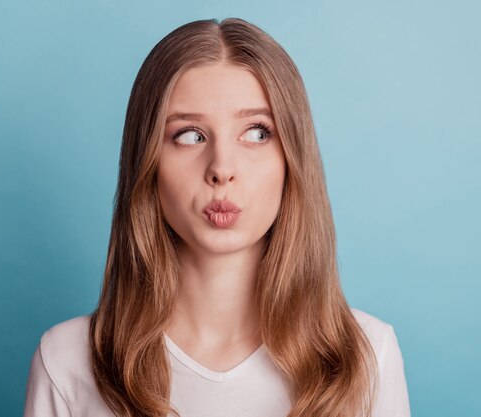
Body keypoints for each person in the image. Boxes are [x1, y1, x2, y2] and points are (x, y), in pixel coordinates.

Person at [23, 17, 411, 417]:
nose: (222, 167)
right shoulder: (66, 362)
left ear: (292, 159)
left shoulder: (369, 356)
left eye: (257, 132)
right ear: (148, 162)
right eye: (190, 135)